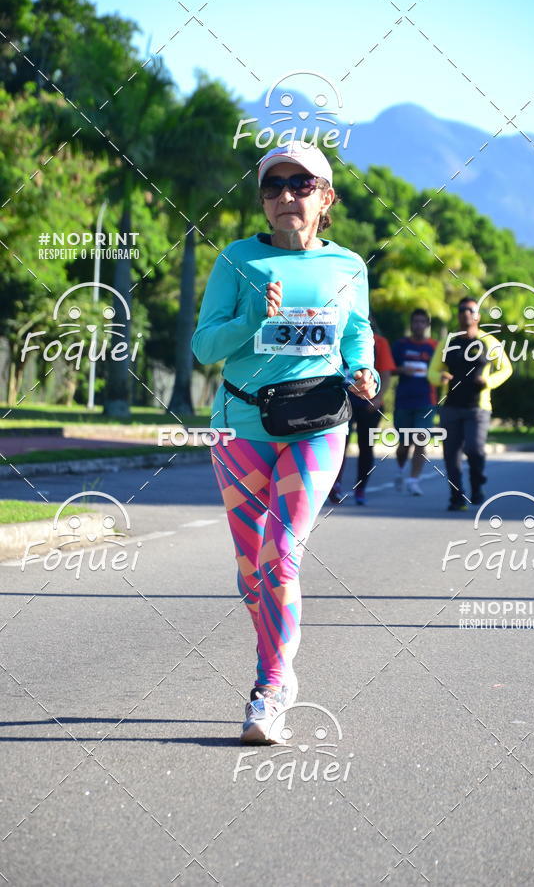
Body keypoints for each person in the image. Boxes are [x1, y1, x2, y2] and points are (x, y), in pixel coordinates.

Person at [191, 141, 379, 744]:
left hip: (317, 423)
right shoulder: (237, 261)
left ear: (326, 198)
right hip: (239, 425)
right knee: (252, 570)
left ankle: (270, 686)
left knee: (281, 549)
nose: (285, 196)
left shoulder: (348, 265)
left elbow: (357, 331)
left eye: (301, 185)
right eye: (273, 187)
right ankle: (277, 665)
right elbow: (204, 348)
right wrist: (252, 321)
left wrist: (363, 369)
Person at [428, 297, 512, 511]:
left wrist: (489, 381)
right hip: (451, 406)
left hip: (478, 407)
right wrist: (440, 378)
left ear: (478, 316)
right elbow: (432, 371)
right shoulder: (449, 341)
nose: (466, 313)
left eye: (470, 309)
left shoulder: (489, 342)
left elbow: (506, 369)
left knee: (474, 450)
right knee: (451, 455)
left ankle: (477, 484)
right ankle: (456, 498)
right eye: (462, 309)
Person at [328, 315, 395, 505]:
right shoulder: (337, 337)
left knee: (366, 447)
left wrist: (379, 398)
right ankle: (335, 486)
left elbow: (385, 372)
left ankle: (361, 489)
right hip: (343, 399)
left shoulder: (379, 342)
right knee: (339, 443)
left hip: (368, 402)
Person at [391, 308, 438, 496]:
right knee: (404, 445)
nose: (418, 325)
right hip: (403, 400)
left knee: (420, 441)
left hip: (426, 400)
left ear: (427, 325)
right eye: (415, 321)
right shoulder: (401, 345)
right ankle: (401, 471)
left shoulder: (435, 347)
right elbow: (388, 369)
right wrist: (402, 370)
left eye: (422, 322)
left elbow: (443, 368)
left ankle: (414, 480)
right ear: (411, 324)